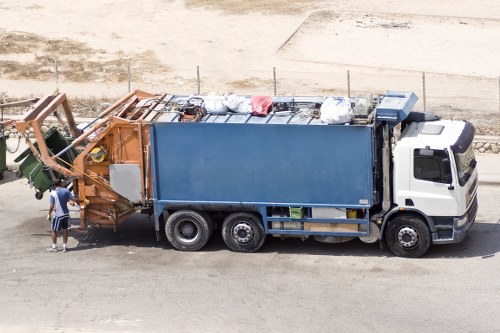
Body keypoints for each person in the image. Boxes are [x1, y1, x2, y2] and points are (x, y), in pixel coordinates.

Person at [46, 179, 76, 253]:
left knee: (54, 230)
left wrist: (49, 213)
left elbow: (52, 205)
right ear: (61, 183)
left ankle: (54, 247)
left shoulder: (53, 193)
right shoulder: (66, 191)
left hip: (57, 215)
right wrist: (77, 202)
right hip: (65, 214)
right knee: (65, 229)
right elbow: (72, 199)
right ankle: (65, 247)